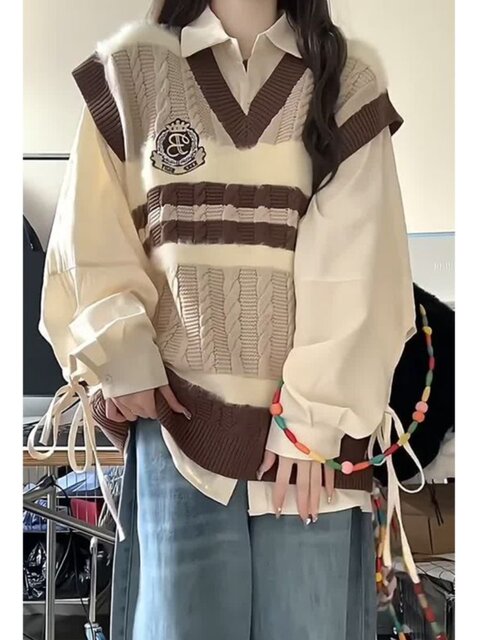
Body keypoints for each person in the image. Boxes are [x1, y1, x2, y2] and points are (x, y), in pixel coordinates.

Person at [36, 1, 416, 638]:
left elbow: (361, 264)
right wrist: (120, 354)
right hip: (177, 433)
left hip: (311, 454)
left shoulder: (346, 80)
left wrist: (314, 420)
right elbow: (89, 239)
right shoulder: (131, 71)